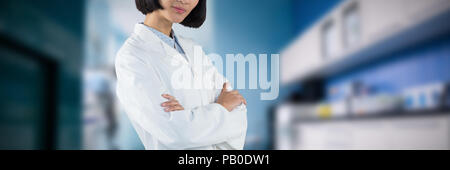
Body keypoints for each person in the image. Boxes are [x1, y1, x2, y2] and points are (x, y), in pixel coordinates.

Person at [115, 0, 248, 150]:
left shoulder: (193, 48)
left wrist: (188, 119)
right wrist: (222, 107)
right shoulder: (132, 57)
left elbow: (239, 113)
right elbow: (176, 133)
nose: (185, 1)